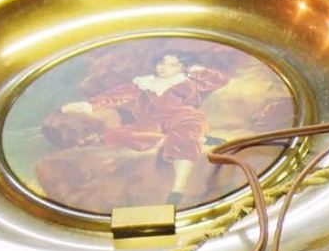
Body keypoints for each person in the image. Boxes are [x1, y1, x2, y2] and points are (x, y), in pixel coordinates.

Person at [62, 52, 230, 204]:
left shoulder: (187, 81)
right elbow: (115, 96)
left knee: (184, 136)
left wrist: (198, 71)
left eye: (173, 65)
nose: (164, 68)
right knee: (117, 135)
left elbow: (220, 81)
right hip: (151, 121)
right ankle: (193, 139)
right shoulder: (142, 83)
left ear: (182, 67)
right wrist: (90, 105)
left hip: (184, 117)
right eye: (161, 63)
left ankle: (177, 189)